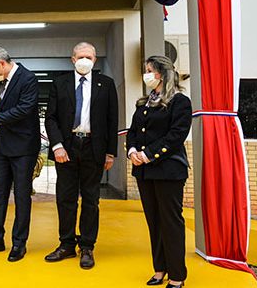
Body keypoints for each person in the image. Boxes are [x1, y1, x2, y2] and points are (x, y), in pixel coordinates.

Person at [44, 42, 118, 269]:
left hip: (93, 148)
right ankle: (66, 244)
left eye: (90, 57)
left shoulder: (106, 84)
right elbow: (51, 118)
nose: (85, 60)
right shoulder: (60, 84)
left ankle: (87, 246)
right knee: (65, 198)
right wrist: (57, 146)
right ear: (73, 59)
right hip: (66, 146)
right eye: (81, 56)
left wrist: (111, 152)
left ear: (95, 60)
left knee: (90, 199)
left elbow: (111, 120)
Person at [126, 56, 191, 288]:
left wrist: (147, 155)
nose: (146, 75)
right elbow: (133, 131)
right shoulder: (144, 102)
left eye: (149, 70)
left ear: (161, 74)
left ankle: (177, 275)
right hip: (144, 172)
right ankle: (160, 268)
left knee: (170, 222)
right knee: (154, 222)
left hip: (168, 171)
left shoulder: (180, 101)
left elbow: (175, 136)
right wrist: (132, 150)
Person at [0, 45, 40, 262]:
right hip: (3, 146)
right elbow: (4, 111)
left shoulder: (27, 78)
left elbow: (24, 109)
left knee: (21, 196)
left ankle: (19, 243)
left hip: (23, 148)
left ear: (2, 64)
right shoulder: (0, 82)